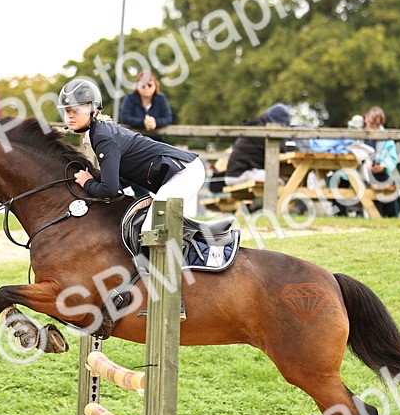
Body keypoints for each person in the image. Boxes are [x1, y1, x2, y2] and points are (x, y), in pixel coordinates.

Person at [58, 78, 205, 318]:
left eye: (77, 109)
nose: (70, 115)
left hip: (184, 171)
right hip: (173, 174)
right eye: (66, 111)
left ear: (93, 109)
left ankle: (173, 300)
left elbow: (110, 189)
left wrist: (87, 182)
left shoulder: (102, 136)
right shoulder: (97, 134)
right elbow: (126, 175)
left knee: (154, 227)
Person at [209, 103, 291, 193]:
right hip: (241, 174)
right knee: (279, 182)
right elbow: (280, 151)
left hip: (237, 174)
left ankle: (255, 206)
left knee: (275, 179)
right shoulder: (264, 132)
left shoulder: (256, 128)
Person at [353, 108, 400, 218]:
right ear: (365, 118)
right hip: (358, 171)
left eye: (377, 124)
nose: (374, 127)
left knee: (389, 185)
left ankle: (391, 218)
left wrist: (384, 165)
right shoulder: (355, 133)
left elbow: (392, 157)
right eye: (372, 123)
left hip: (379, 172)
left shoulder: (386, 138)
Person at [119, 70, 173, 135]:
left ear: (155, 86)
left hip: (157, 139)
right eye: (143, 85)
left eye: (149, 85)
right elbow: (125, 118)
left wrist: (155, 122)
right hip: (134, 139)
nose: (146, 88)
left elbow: (168, 118)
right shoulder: (130, 98)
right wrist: (143, 122)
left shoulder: (160, 98)